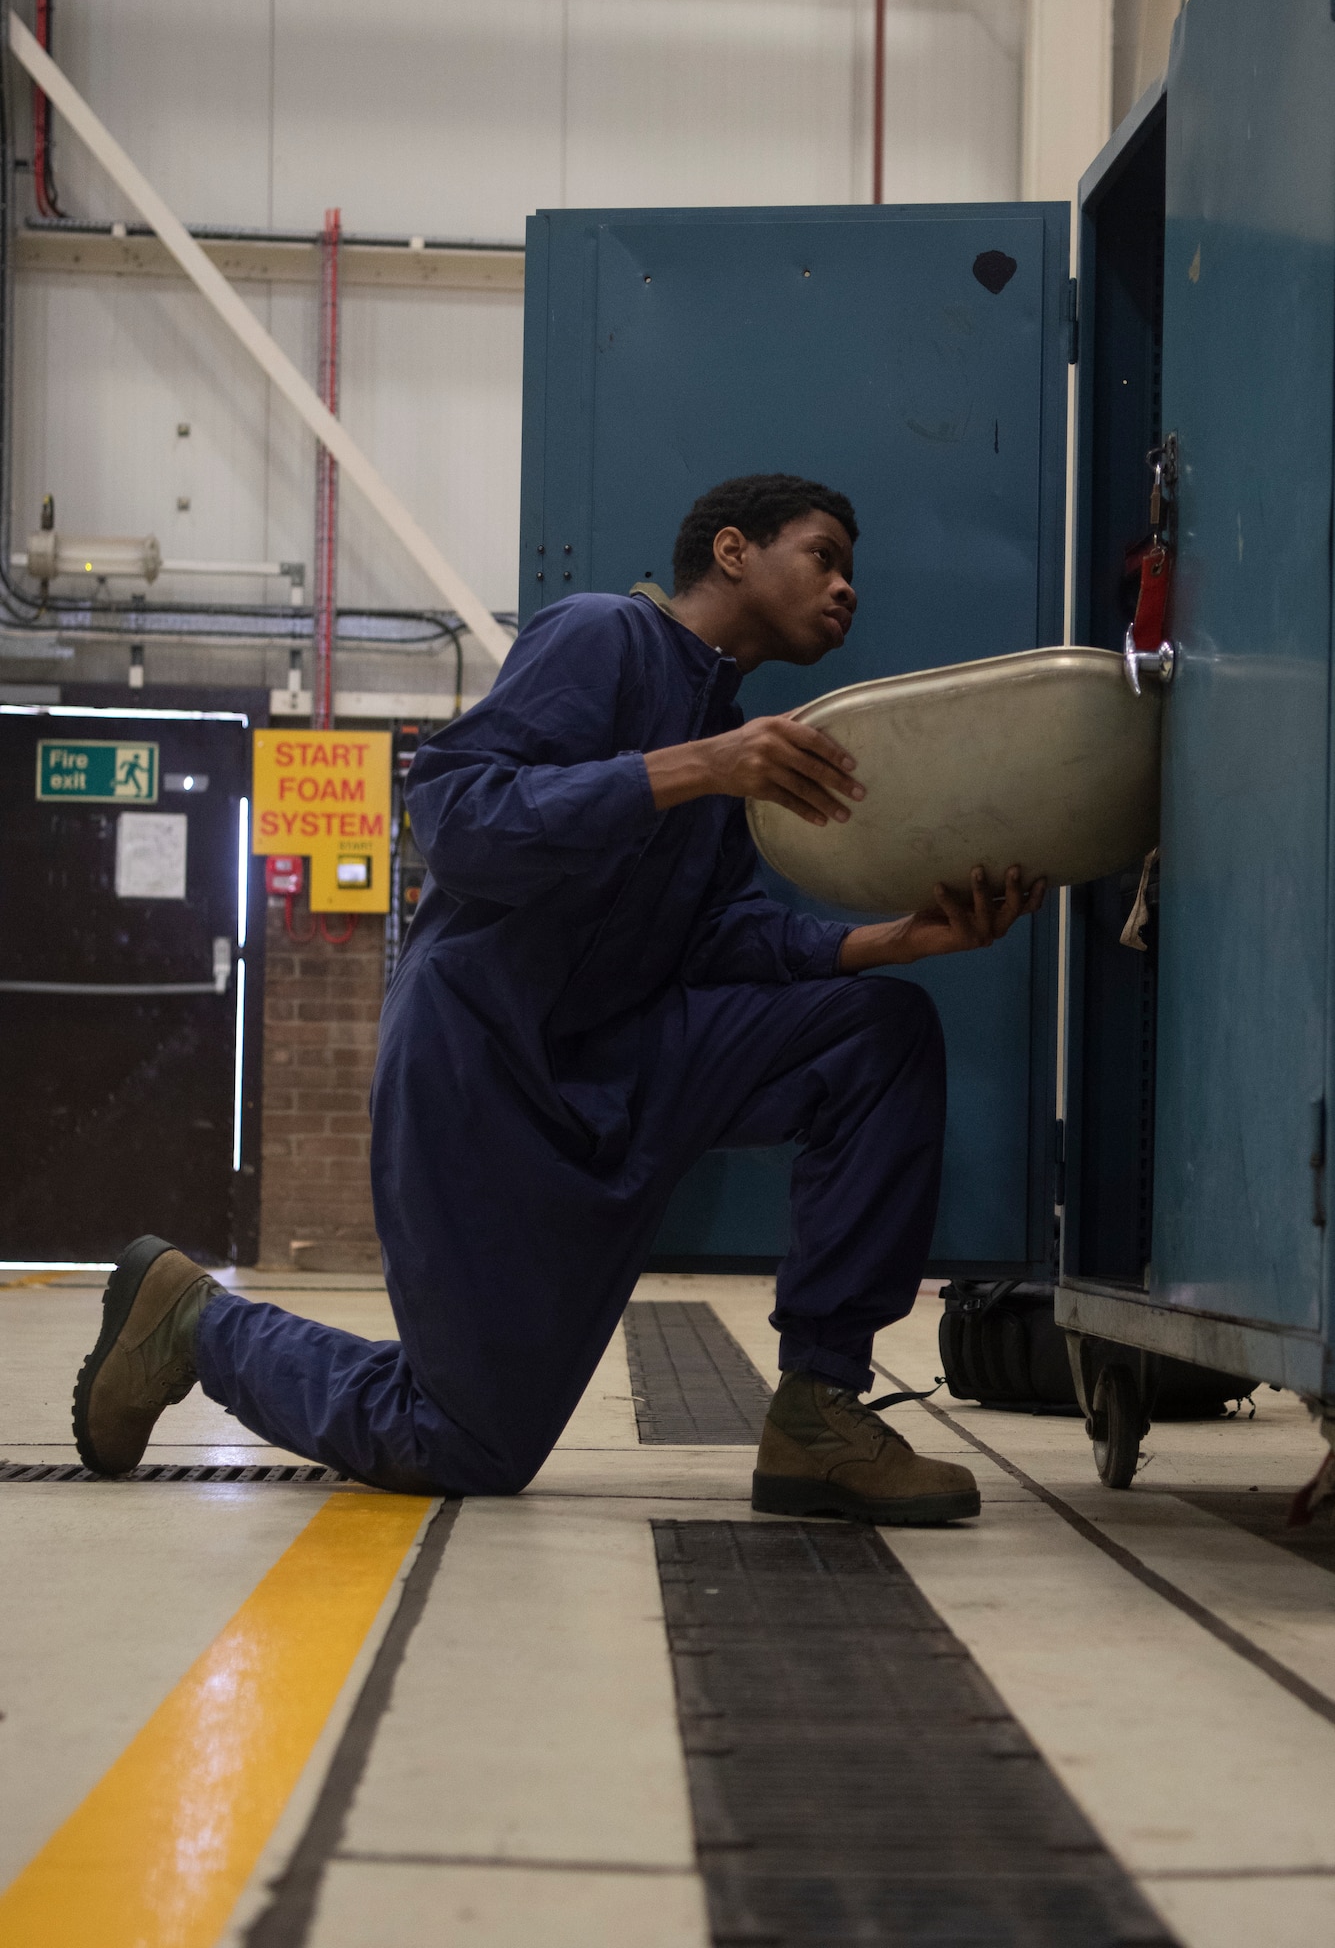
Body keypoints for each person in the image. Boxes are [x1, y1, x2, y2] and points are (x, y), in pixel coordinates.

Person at [73, 473, 1043, 1523]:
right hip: (479, 1066)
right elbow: (454, 814)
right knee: (466, 1440)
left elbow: (716, 936)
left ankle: (820, 1409)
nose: (846, 587)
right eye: (824, 555)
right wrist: (690, 768)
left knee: (876, 1034)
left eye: (850, 569)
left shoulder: (730, 742)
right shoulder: (604, 638)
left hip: (626, 1063)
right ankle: (192, 1321)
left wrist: (900, 938)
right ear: (732, 551)